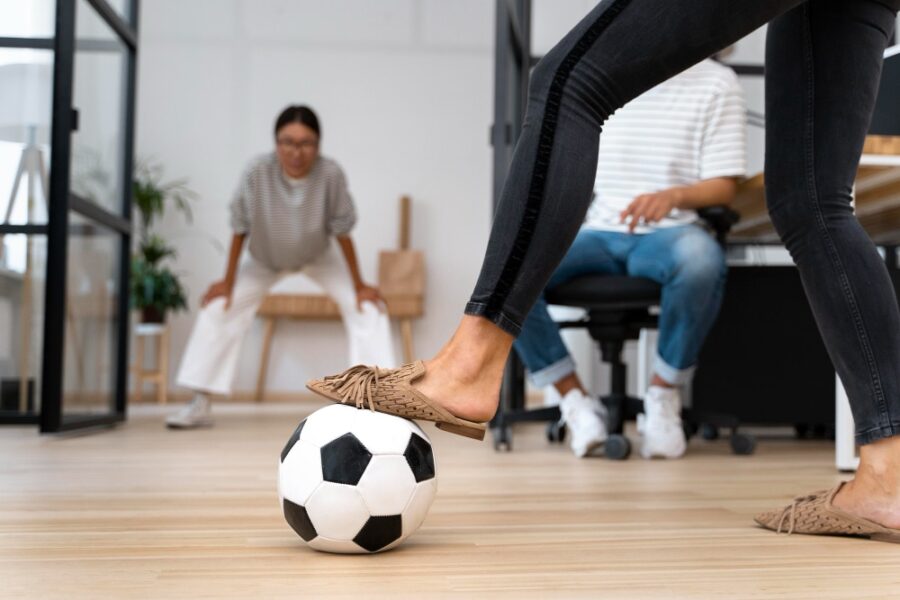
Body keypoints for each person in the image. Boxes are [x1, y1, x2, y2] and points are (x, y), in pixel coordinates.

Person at [310, 1, 900, 543]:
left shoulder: (712, 90)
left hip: (666, 237)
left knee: (568, 81)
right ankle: (888, 477)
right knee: (813, 204)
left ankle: (468, 369)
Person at [516, 57, 745, 458]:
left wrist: (673, 196)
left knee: (701, 261)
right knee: (511, 270)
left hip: (670, 233)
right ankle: (575, 401)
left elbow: (724, 187)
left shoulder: (717, 81)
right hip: (599, 230)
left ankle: (661, 395)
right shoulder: (609, 72)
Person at [168, 105, 396, 429]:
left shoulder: (330, 174)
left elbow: (342, 230)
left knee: (369, 309)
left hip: (318, 255)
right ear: (276, 143)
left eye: (306, 143)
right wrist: (227, 281)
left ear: (318, 145)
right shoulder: (257, 172)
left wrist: (359, 286)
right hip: (265, 259)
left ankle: (380, 403)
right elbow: (240, 226)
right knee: (219, 307)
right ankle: (199, 402)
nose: (296, 152)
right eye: (287, 142)